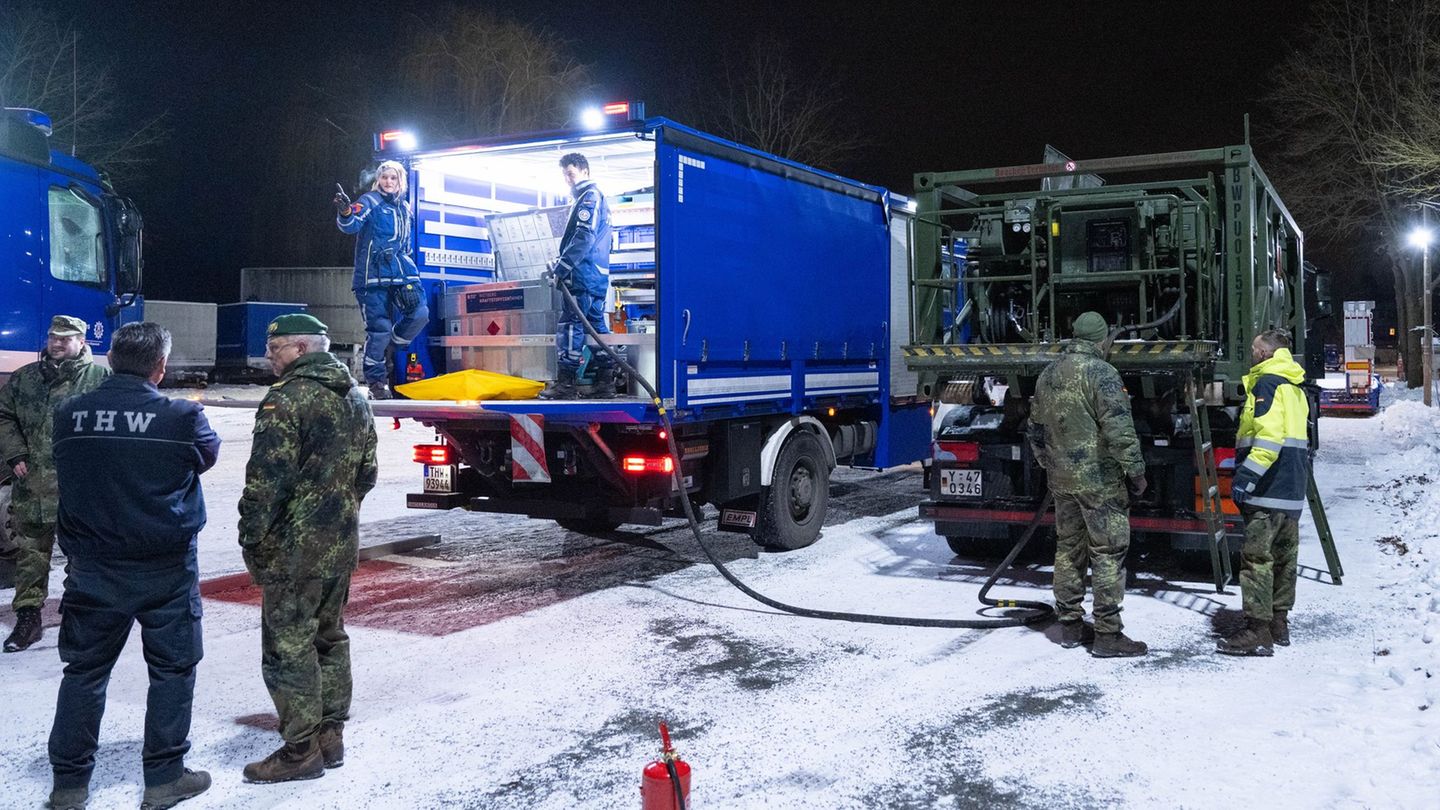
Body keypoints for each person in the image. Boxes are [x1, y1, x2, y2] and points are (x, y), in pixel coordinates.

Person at [46, 322, 219, 810]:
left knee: (84, 672)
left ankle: (69, 785)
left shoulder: (68, 413)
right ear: (159, 368)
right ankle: (164, 778)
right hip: (165, 569)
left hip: (92, 568)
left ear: (111, 360)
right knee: (172, 670)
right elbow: (205, 457)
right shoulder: (183, 416)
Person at [238, 314, 378, 784]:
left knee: (287, 648)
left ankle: (300, 750)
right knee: (329, 636)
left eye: (275, 348)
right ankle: (329, 736)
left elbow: (265, 482)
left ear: (300, 349)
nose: (269, 356)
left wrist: (252, 537)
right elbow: (367, 474)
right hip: (340, 542)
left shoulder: (286, 399)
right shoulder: (355, 398)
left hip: (293, 550)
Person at [1028, 311, 1149, 658]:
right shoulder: (1102, 373)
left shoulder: (1048, 374)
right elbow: (1119, 430)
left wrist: (1049, 465)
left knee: (1068, 550)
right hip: (1100, 481)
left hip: (1062, 482)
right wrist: (1136, 472)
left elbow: (1035, 429)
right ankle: (1108, 635)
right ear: (1102, 340)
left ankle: (1069, 627)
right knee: (1108, 553)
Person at [0, 314, 110, 653]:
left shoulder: (101, 379)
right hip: (33, 486)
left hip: (82, 489)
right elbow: (4, 415)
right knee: (31, 555)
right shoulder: (26, 378)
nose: (57, 343)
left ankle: (78, 614)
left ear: (81, 341)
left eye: (65, 337)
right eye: (52, 337)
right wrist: (15, 453)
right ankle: (29, 618)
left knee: (82, 555)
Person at [1217, 329, 1312, 656]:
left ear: (1266, 354)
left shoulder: (1267, 383)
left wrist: (1245, 478)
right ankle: (1278, 623)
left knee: (1257, 559)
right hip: (1290, 489)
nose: (1252, 354)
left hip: (1268, 487)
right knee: (1286, 558)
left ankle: (1257, 631)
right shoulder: (1294, 385)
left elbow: (1269, 441)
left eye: (1256, 349)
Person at [334, 160, 428, 400]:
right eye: (384, 177)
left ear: (400, 181)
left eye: (393, 178)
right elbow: (351, 224)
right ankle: (377, 382)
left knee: (420, 314)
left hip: (399, 273)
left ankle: (389, 348)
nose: (388, 181)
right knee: (380, 330)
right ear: (378, 179)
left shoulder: (405, 208)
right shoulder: (370, 201)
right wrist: (345, 211)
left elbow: (405, 245)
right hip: (371, 278)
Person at [539, 152, 616, 400]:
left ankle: (566, 384)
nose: (567, 180)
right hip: (595, 276)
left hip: (582, 276)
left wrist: (562, 268)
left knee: (571, 326)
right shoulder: (595, 198)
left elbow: (583, 237)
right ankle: (607, 381)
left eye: (570, 174)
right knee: (596, 328)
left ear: (584, 171)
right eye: (564, 175)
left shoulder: (588, 198)